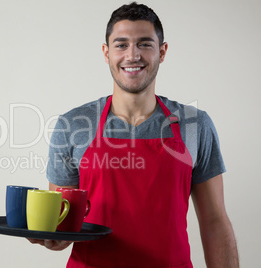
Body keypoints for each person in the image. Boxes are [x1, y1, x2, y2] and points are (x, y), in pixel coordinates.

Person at [28, 2, 239, 267]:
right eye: (121, 44)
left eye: (144, 44)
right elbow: (64, 224)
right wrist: (53, 237)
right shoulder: (72, 125)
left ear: (162, 52)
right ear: (106, 53)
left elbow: (214, 222)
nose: (132, 55)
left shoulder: (195, 124)